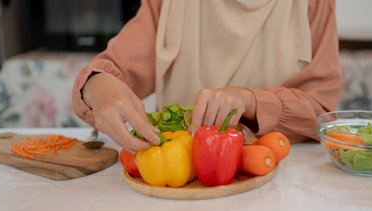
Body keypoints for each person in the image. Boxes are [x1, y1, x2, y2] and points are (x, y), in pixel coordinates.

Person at [72, 0, 342, 152]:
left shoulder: (314, 4)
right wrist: (97, 86)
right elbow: (108, 72)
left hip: (279, 187)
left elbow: (321, 114)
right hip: (176, 187)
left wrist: (250, 102)